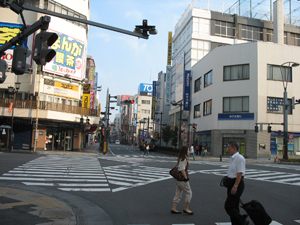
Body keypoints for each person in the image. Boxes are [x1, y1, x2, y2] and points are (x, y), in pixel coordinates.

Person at [224, 141, 248, 225]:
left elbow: (240, 173)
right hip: (231, 183)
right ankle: (236, 223)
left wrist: (235, 186)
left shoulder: (239, 158)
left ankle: (242, 221)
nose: (227, 149)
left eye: (229, 147)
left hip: (237, 183)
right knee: (234, 206)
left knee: (228, 206)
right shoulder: (233, 158)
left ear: (234, 148)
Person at [171, 146, 194, 215]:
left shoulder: (182, 158)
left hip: (178, 179)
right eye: (188, 151)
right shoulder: (183, 159)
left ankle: (174, 208)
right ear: (185, 152)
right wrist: (186, 178)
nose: (189, 152)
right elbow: (182, 169)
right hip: (182, 179)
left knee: (178, 193)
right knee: (189, 193)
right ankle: (186, 208)